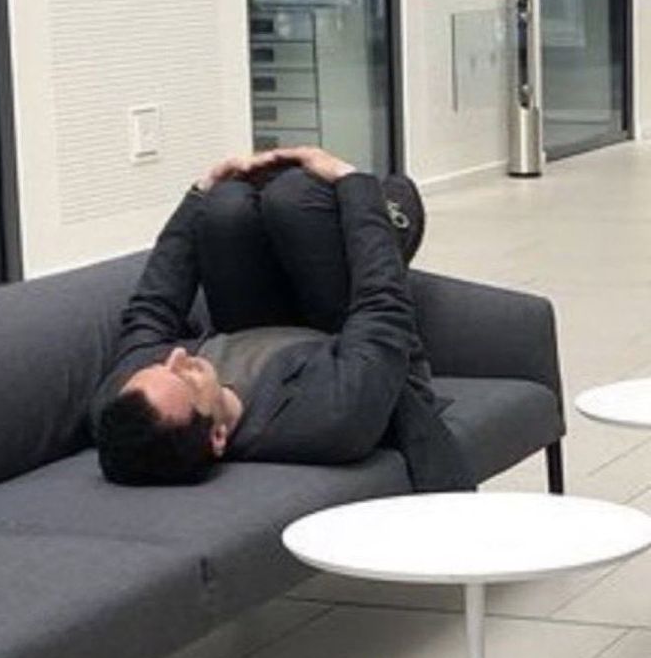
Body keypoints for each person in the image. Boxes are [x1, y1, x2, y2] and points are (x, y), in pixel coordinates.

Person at [92, 147, 474, 491]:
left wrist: (199, 192)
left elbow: (151, 307)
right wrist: (353, 183)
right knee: (296, 196)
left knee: (224, 205)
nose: (177, 357)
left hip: (256, 319)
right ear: (219, 437)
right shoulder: (329, 416)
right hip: (340, 336)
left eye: (162, 366)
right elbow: (383, 306)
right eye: (186, 379)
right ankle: (395, 221)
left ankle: (253, 201)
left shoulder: (125, 404)